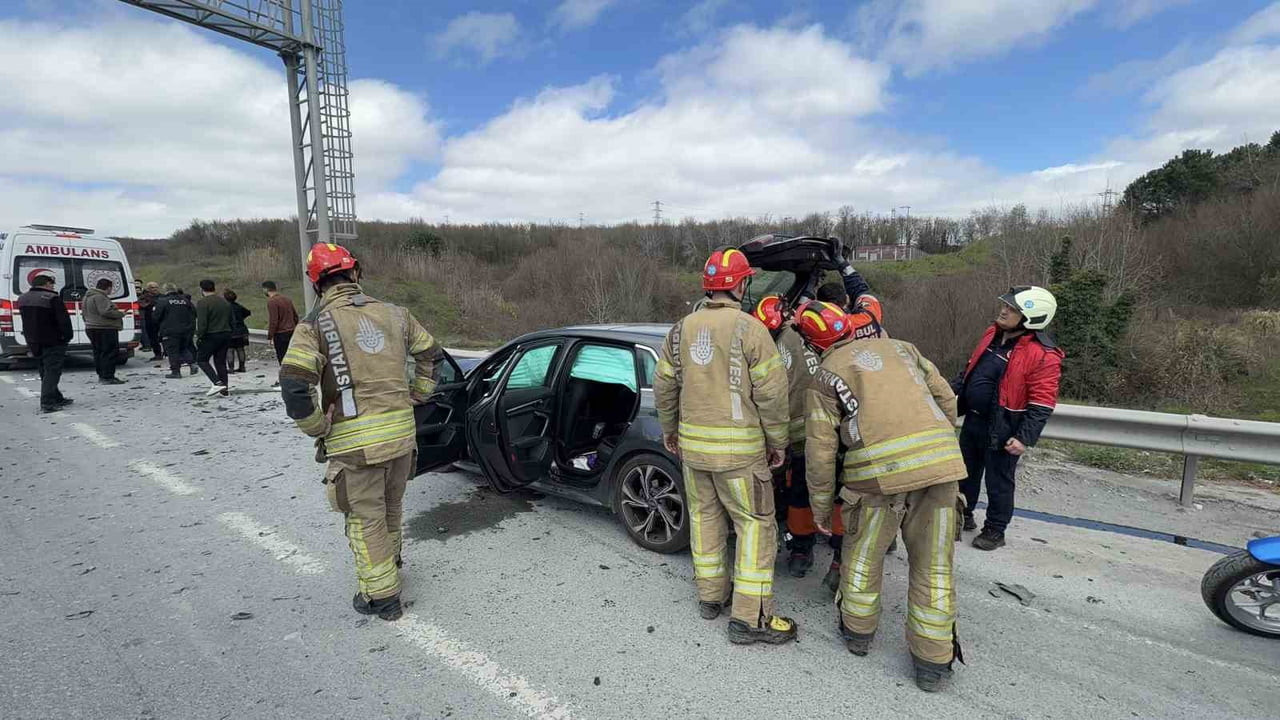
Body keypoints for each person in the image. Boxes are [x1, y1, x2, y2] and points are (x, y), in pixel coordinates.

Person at [800, 299, 965, 692]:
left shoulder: (825, 375)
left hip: (874, 479)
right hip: (940, 471)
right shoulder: (904, 348)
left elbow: (820, 451)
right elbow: (947, 400)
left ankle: (857, 634)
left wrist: (821, 508)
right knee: (934, 565)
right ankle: (932, 662)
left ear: (813, 344)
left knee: (862, 556)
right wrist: (937, 447)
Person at [280, 243, 442, 621]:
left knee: (365, 518)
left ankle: (382, 597)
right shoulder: (397, 315)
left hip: (356, 446)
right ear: (355, 273)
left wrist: (317, 425)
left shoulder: (315, 325)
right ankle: (391, 563)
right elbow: (431, 355)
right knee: (391, 507)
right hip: (402, 436)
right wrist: (418, 393)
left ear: (316, 283)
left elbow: (294, 385)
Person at [653, 247, 796, 646]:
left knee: (704, 520)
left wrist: (669, 429)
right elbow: (772, 394)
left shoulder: (680, 329)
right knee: (755, 526)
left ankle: (711, 597)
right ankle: (750, 619)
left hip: (694, 453)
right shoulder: (751, 329)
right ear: (741, 284)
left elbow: (664, 385)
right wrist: (778, 442)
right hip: (740, 456)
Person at [952, 286, 1064, 551]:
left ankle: (995, 530)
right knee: (965, 474)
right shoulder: (992, 334)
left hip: (1004, 427)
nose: (1003, 311)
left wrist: (1024, 437)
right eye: (1005, 305)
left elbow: (1042, 403)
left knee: (999, 482)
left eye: (1012, 309)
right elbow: (970, 369)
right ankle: (963, 515)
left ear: (1031, 317)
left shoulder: (1043, 354)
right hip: (974, 420)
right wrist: (948, 393)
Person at [16, 275, 73, 413]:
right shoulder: (52, 298)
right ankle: (47, 403)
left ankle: (56, 397)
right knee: (52, 371)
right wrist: (67, 336)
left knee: (44, 369)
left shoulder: (22, 298)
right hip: (53, 340)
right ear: (46, 284)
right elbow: (63, 320)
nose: (53, 287)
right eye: (52, 284)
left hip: (33, 340)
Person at [82, 277, 125, 385]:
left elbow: (84, 313)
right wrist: (120, 314)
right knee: (109, 352)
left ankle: (102, 375)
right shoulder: (100, 297)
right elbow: (105, 312)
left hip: (91, 327)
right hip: (105, 328)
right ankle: (108, 376)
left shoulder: (87, 296)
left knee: (99, 352)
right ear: (109, 287)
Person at [194, 279, 233, 397]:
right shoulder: (224, 302)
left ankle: (217, 382)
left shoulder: (203, 303)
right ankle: (225, 389)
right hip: (226, 333)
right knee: (220, 362)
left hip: (211, 334)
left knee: (201, 359)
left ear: (201, 289)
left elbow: (202, 323)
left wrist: (199, 336)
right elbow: (232, 320)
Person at [153, 284, 197, 378]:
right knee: (183, 348)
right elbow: (194, 313)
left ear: (165, 290)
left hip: (169, 330)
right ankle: (192, 363)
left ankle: (176, 371)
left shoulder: (163, 301)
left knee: (172, 351)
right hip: (185, 330)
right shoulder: (185, 300)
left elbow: (156, 316)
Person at [263, 280, 299, 368]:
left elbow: (274, 321)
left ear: (266, 289)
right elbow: (295, 316)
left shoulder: (272, 302)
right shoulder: (287, 299)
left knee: (282, 358)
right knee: (292, 357)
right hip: (291, 331)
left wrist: (270, 336)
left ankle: (285, 374)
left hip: (280, 334)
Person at [224, 289, 252, 373]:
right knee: (240, 349)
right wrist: (241, 318)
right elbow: (248, 312)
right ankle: (242, 367)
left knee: (230, 349)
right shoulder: (238, 306)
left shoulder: (224, 308)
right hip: (242, 330)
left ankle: (231, 368)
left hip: (230, 331)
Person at [139, 281, 163, 362]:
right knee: (153, 338)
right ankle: (158, 354)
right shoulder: (144, 297)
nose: (155, 289)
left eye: (156, 287)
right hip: (150, 320)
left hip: (162, 320)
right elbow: (142, 305)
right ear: (148, 289)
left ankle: (167, 352)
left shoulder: (162, 296)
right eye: (152, 287)